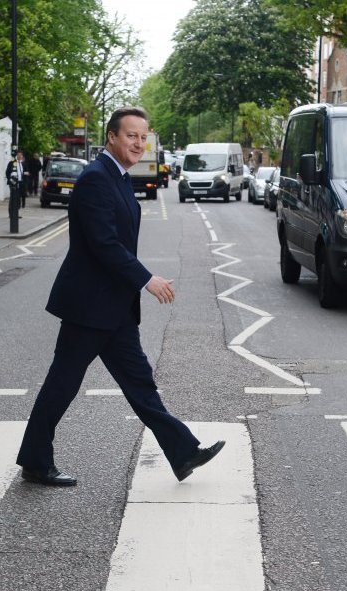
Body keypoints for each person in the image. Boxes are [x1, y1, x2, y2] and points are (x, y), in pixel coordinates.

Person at [15, 107, 225, 487]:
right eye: (131, 136)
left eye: (143, 137)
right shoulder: (97, 179)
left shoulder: (119, 178)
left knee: (141, 385)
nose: (138, 143)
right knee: (63, 384)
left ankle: (183, 453)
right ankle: (34, 459)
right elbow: (104, 244)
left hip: (114, 308)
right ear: (111, 136)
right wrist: (146, 279)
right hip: (89, 306)